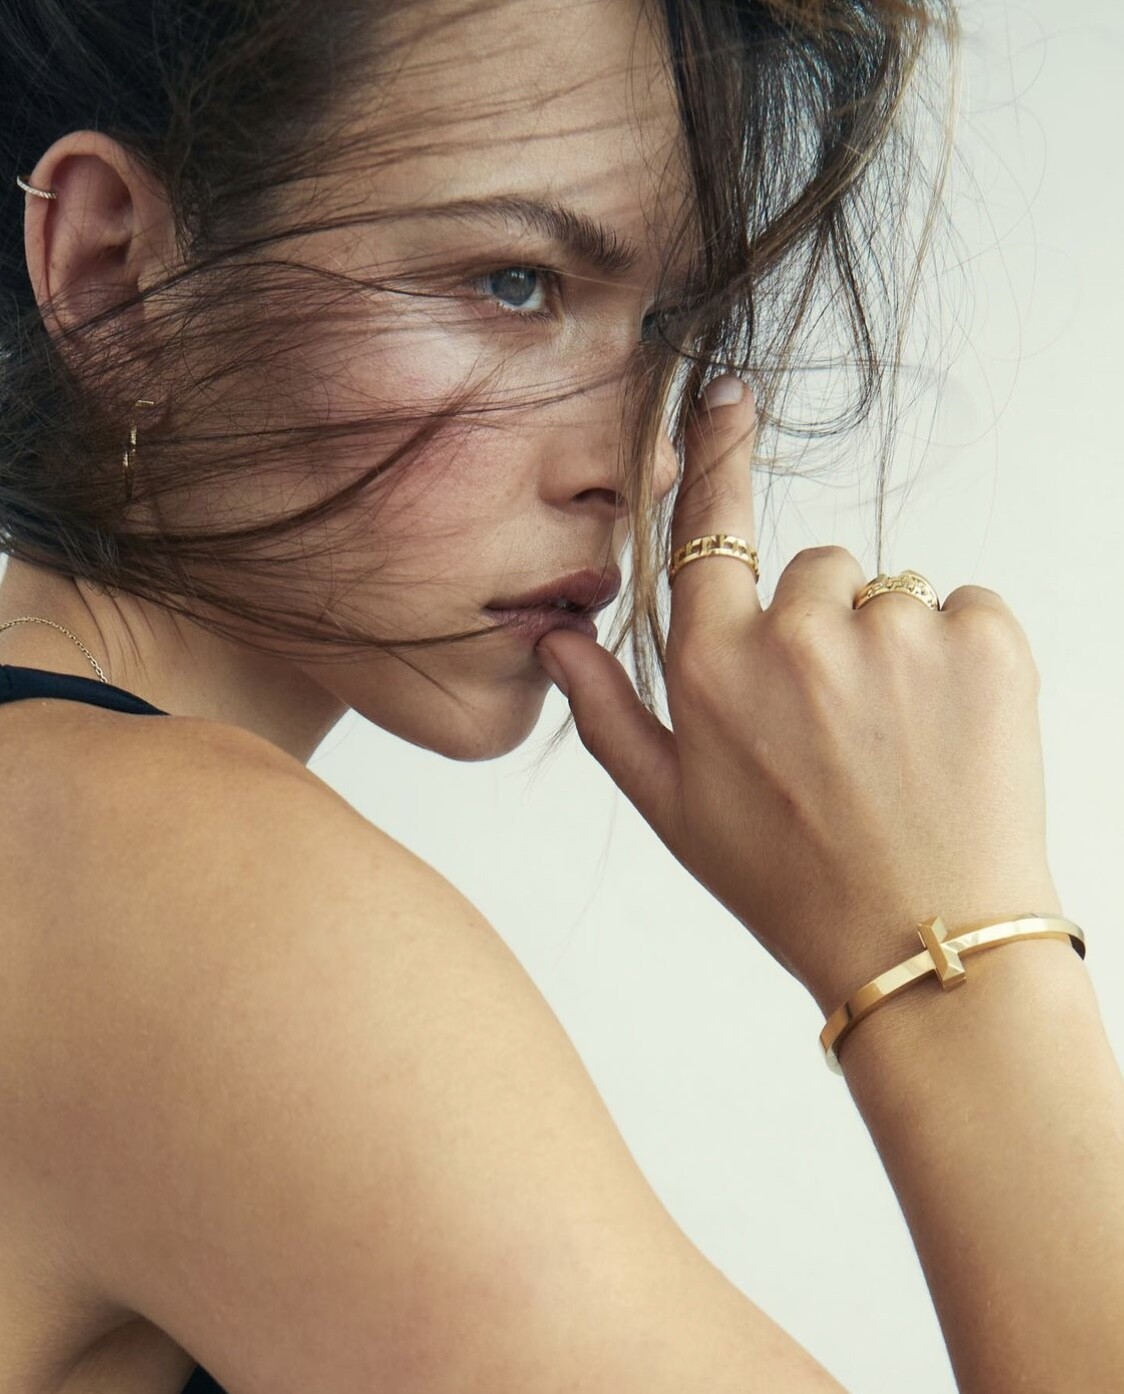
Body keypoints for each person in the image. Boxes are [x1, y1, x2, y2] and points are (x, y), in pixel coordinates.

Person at [0, 1, 1120, 1392]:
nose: (635, 462)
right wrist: (960, 959)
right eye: (516, 283)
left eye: (664, 322)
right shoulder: (176, 893)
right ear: (112, 273)